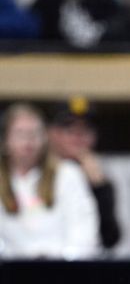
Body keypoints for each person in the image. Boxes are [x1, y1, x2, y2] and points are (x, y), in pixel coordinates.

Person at [0, 103, 99, 259]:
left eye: (34, 134)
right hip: (9, 271)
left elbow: (84, 234)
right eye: (20, 134)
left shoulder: (67, 174)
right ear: (5, 140)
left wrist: (62, 263)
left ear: (45, 138)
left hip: (59, 269)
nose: (28, 141)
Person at [48, 96, 121, 252]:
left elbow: (111, 239)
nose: (78, 137)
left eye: (85, 130)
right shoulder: (40, 174)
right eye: (70, 130)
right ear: (53, 133)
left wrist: (99, 187)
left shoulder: (99, 178)